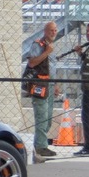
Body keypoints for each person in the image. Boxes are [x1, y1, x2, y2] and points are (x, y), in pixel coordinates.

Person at [26, 21, 58, 160]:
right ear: (45, 31)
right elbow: (32, 62)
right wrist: (47, 52)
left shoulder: (50, 46)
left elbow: (51, 66)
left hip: (49, 84)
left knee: (48, 117)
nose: (54, 32)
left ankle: (41, 145)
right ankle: (40, 146)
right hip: (40, 84)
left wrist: (55, 84)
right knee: (42, 117)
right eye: (51, 30)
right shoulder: (38, 45)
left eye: (55, 30)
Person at [72, 22, 89, 157]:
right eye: (87, 31)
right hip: (88, 86)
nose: (88, 34)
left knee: (87, 117)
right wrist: (81, 54)